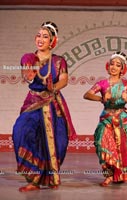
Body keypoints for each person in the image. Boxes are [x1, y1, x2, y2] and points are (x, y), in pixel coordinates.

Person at [12, 21, 76, 192]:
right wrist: (29, 73)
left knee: (55, 142)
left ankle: (47, 178)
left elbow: (64, 79)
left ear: (52, 41)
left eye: (45, 36)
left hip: (52, 104)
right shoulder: (29, 58)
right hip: (33, 101)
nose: (40, 39)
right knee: (21, 130)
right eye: (38, 35)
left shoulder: (58, 61)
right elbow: (27, 77)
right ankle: (33, 177)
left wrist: (53, 87)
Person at [83, 51, 127, 186]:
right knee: (102, 145)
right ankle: (108, 175)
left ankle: (120, 173)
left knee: (126, 149)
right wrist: (101, 98)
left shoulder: (126, 84)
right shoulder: (102, 83)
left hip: (123, 120)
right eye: (112, 64)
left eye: (118, 65)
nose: (114, 67)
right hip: (106, 118)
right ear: (108, 66)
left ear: (122, 69)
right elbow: (87, 95)